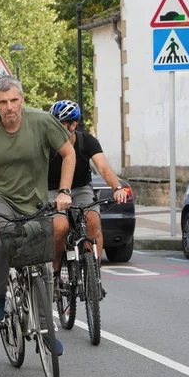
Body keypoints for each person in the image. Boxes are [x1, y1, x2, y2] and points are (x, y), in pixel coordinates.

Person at [0, 76, 75, 346]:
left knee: (42, 262)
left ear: (22, 99)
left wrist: (64, 191)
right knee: (1, 241)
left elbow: (69, 153)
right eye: (3, 102)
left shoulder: (42, 122)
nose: (9, 107)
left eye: (13, 100)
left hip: (34, 201)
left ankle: (47, 331)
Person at [47, 100, 130, 271]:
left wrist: (117, 188)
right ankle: (55, 270)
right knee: (60, 227)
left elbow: (103, 167)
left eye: (59, 124)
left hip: (80, 188)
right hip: (52, 190)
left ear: (73, 125)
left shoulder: (87, 141)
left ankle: (93, 271)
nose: (55, 128)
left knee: (93, 221)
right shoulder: (47, 144)